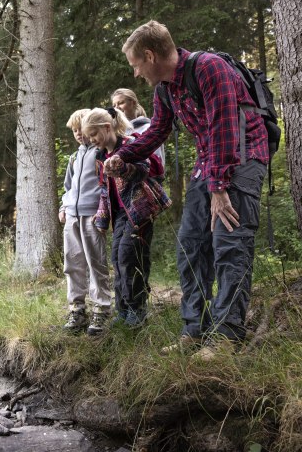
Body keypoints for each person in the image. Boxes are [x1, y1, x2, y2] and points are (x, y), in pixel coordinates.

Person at [106, 20, 268, 359]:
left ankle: (226, 337)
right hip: (210, 163)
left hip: (243, 157)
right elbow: (157, 131)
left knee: (229, 245)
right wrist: (122, 156)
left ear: (149, 56)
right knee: (191, 247)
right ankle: (194, 329)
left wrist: (220, 187)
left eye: (135, 65)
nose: (135, 74)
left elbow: (226, 125)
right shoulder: (166, 88)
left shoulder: (210, 68)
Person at [82, 107, 171, 328]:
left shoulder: (131, 144)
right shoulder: (101, 156)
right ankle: (123, 310)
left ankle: (137, 309)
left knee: (130, 256)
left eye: (94, 134)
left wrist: (123, 168)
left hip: (139, 211)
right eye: (89, 137)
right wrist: (102, 218)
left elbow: (145, 169)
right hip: (120, 214)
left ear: (106, 127)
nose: (92, 140)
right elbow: (104, 189)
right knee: (116, 258)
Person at [59, 109, 112, 336]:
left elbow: (106, 186)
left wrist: (102, 211)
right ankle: (77, 309)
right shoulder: (75, 157)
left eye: (80, 129)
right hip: (72, 215)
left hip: (91, 215)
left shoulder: (101, 155)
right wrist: (64, 207)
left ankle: (101, 308)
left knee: (95, 262)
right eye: (73, 131)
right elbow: (68, 187)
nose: (77, 134)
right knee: (72, 263)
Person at [111, 87, 165, 169]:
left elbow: (155, 159)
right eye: (114, 105)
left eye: (121, 103)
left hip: (146, 178)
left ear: (133, 103)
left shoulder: (148, 129)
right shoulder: (116, 132)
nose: (116, 108)